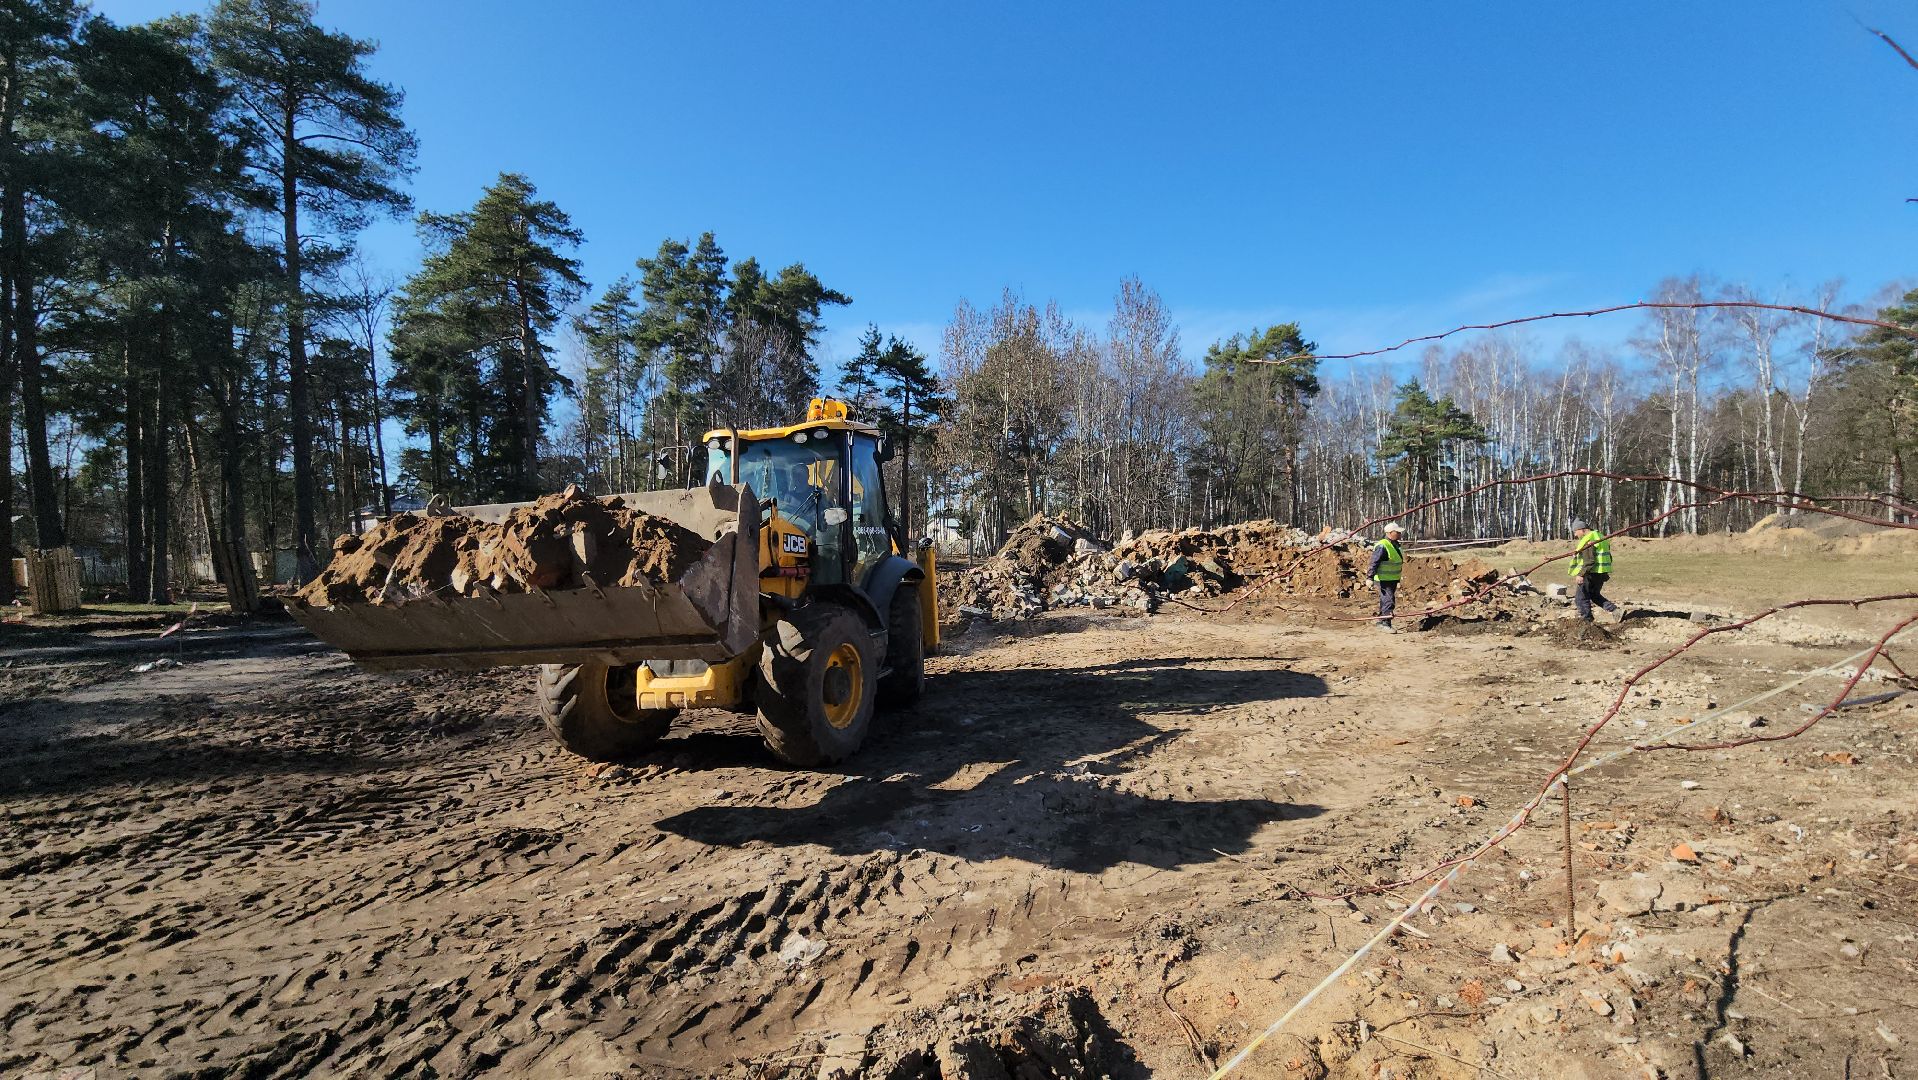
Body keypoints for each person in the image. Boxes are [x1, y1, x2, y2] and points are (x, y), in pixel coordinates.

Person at [1568, 518, 1619, 622]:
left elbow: (1589, 561)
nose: (1575, 535)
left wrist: (1581, 574)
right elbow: (1608, 556)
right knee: (1594, 595)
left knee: (1581, 598)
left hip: (1590, 573)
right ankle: (1616, 611)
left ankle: (1586, 621)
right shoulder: (1600, 537)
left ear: (1582, 529)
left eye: (1575, 532)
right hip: (1601, 573)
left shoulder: (1588, 540)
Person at [1368, 522, 1405, 632]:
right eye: (1397, 532)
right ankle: (1385, 623)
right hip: (1383, 579)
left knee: (1385, 600)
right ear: (1389, 533)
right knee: (1389, 600)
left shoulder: (1395, 545)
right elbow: (1374, 562)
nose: (1400, 534)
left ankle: (1382, 620)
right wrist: (1369, 577)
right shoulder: (1382, 546)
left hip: (1391, 579)